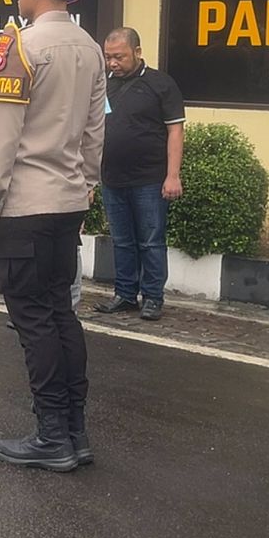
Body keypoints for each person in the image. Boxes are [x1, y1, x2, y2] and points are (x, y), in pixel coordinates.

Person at [0, 0, 105, 472]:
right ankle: (75, 431)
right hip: (67, 201)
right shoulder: (90, 47)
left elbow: (5, 137)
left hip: (26, 204)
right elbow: (95, 133)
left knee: (33, 322)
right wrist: (85, 187)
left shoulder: (21, 46)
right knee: (60, 313)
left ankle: (52, 435)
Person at [93, 28, 185, 322]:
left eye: (119, 57)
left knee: (150, 241)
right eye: (108, 57)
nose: (113, 63)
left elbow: (175, 130)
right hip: (112, 177)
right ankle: (125, 294)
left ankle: (153, 297)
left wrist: (173, 175)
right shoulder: (103, 84)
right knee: (121, 240)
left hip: (150, 179)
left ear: (137, 52)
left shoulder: (161, 84)